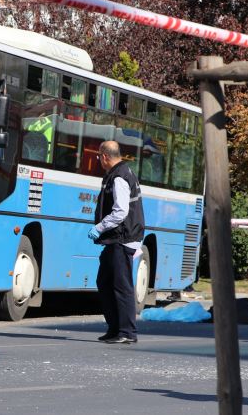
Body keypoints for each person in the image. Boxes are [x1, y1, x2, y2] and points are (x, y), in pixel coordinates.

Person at [88, 140, 145, 344]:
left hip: (122, 238)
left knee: (121, 286)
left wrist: (99, 227)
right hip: (117, 239)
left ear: (105, 156)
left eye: (98, 156)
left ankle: (127, 331)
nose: (98, 160)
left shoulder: (120, 176)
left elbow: (120, 211)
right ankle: (114, 328)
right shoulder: (121, 173)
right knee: (104, 282)